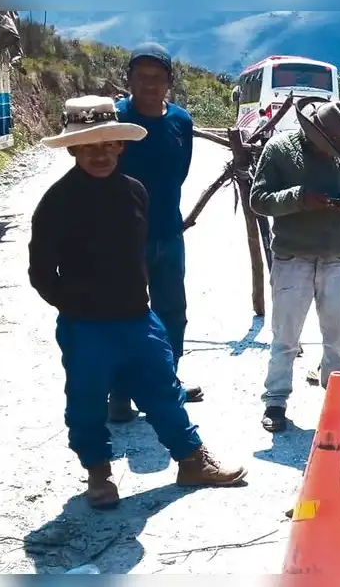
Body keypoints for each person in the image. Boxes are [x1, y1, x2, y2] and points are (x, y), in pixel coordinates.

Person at [29, 96, 247, 510]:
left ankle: (191, 460)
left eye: (109, 143)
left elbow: (138, 254)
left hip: (137, 317)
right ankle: (99, 475)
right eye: (89, 145)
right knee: (86, 399)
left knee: (163, 388)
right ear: (73, 149)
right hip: (85, 325)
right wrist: (75, 306)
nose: (100, 153)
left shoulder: (134, 192)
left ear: (121, 146)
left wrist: (136, 297)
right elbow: (40, 273)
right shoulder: (56, 202)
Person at [249, 98, 340, 433]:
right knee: (286, 336)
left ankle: (338, 393)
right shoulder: (279, 150)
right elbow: (258, 200)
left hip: (336, 256)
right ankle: (276, 400)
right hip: (292, 257)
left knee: (336, 335)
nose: (331, 153)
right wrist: (299, 198)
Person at [108, 43, 201, 423]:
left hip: (168, 232)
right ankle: (119, 393)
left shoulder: (181, 121)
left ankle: (166, 382)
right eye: (141, 77)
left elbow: (180, 172)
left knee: (172, 314)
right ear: (128, 80)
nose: (149, 84)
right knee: (124, 313)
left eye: (157, 77)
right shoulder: (115, 119)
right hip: (124, 238)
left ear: (169, 82)